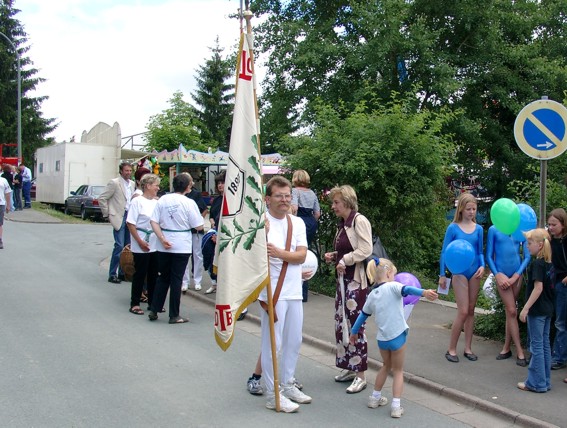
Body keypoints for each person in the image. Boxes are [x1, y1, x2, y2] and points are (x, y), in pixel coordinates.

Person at [350, 257, 438, 418]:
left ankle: (374, 398)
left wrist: (353, 332)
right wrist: (424, 292)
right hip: (397, 337)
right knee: (398, 371)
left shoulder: (372, 294)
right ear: (389, 273)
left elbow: (363, 315)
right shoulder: (394, 286)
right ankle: (396, 406)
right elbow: (409, 290)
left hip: (382, 340)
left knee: (385, 366)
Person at [259, 176, 310, 413]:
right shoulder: (260, 223)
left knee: (294, 340)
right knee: (273, 343)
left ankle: (288, 383)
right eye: (279, 196)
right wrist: (261, 237)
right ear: (268, 199)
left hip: (293, 290)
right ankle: (272, 392)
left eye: (288, 195)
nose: (285, 200)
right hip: (271, 292)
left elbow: (301, 256)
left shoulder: (296, 223)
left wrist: (279, 253)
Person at [324, 185, 373, 394]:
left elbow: (366, 249)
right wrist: (335, 255)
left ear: (347, 201)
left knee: (355, 327)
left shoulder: (358, 221)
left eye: (336, 202)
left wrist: (345, 258)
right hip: (343, 282)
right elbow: (347, 249)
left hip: (355, 283)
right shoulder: (343, 223)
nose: (333, 206)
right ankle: (348, 366)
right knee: (341, 324)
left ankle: (360, 374)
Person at [149, 173, 204, 324]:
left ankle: (154, 309)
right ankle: (174, 314)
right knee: (176, 279)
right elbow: (198, 225)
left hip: (164, 242)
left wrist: (162, 238)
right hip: (181, 244)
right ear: (188, 187)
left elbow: (153, 221)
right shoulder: (189, 202)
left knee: (163, 277)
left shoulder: (163, 200)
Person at [439, 192, 485, 363]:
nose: (472, 212)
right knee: (463, 310)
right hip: (458, 272)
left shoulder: (479, 229)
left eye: (474, 209)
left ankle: (468, 347)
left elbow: (480, 251)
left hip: (474, 270)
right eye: (468, 209)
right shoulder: (453, 228)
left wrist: (482, 265)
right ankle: (451, 348)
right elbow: (444, 251)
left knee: (471, 310)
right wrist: (442, 274)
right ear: (461, 209)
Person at [486, 225, 529, 366]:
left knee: (510, 313)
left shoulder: (519, 228)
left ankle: (506, 348)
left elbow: (527, 256)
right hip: (502, 275)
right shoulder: (494, 229)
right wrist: (497, 274)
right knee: (511, 310)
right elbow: (489, 255)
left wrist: (517, 275)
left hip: (517, 275)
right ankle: (519, 351)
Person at [517, 228, 553, 393]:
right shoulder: (548, 263)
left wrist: (525, 308)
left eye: (529, 243)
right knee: (544, 345)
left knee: (536, 346)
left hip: (538, 310)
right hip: (547, 309)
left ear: (539, 245)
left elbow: (538, 288)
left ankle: (536, 383)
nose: (527, 246)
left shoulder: (537, 264)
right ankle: (544, 380)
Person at [126, 174, 160, 316]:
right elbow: (130, 223)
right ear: (147, 186)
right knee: (140, 273)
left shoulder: (156, 203)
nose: (158, 188)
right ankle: (135, 303)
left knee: (153, 274)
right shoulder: (137, 201)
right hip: (141, 240)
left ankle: (153, 302)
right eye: (156, 185)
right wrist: (140, 242)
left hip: (154, 241)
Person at [98, 162, 136, 284]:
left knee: (127, 247)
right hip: (119, 216)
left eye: (130, 171)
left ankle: (122, 273)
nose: (128, 173)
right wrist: (107, 214)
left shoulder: (132, 184)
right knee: (119, 245)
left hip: (129, 216)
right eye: (126, 171)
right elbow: (102, 198)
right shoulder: (114, 183)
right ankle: (112, 273)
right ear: (121, 171)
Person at [290, 169, 320, 302]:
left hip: (300, 220)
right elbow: (317, 213)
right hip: (311, 222)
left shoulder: (295, 191)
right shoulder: (312, 193)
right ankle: (304, 292)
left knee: (296, 252)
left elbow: (294, 207)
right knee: (305, 253)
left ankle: (297, 289)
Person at [546, 208, 567, 371]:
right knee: (556, 320)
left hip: (563, 283)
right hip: (555, 282)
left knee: (560, 322)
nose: (551, 227)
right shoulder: (550, 239)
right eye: (549, 224)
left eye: (554, 224)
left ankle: (559, 357)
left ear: (563, 224)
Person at [182, 180, 208, 293]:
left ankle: (197, 280)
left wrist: (199, 221)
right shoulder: (179, 196)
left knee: (198, 255)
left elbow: (204, 209)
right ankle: (185, 282)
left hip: (196, 230)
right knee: (185, 256)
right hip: (184, 230)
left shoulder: (195, 195)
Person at [204, 171, 225, 294]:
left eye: (222, 183)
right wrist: (212, 222)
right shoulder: (216, 200)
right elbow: (212, 215)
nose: (220, 185)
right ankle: (214, 282)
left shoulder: (232, 200)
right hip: (215, 231)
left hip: (224, 234)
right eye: (218, 183)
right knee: (209, 255)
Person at [0, 174, 12, 249]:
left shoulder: (3, 180)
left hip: (0, 204)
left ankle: (0, 240)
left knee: (0, 223)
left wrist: (8, 205)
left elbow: (7, 193)